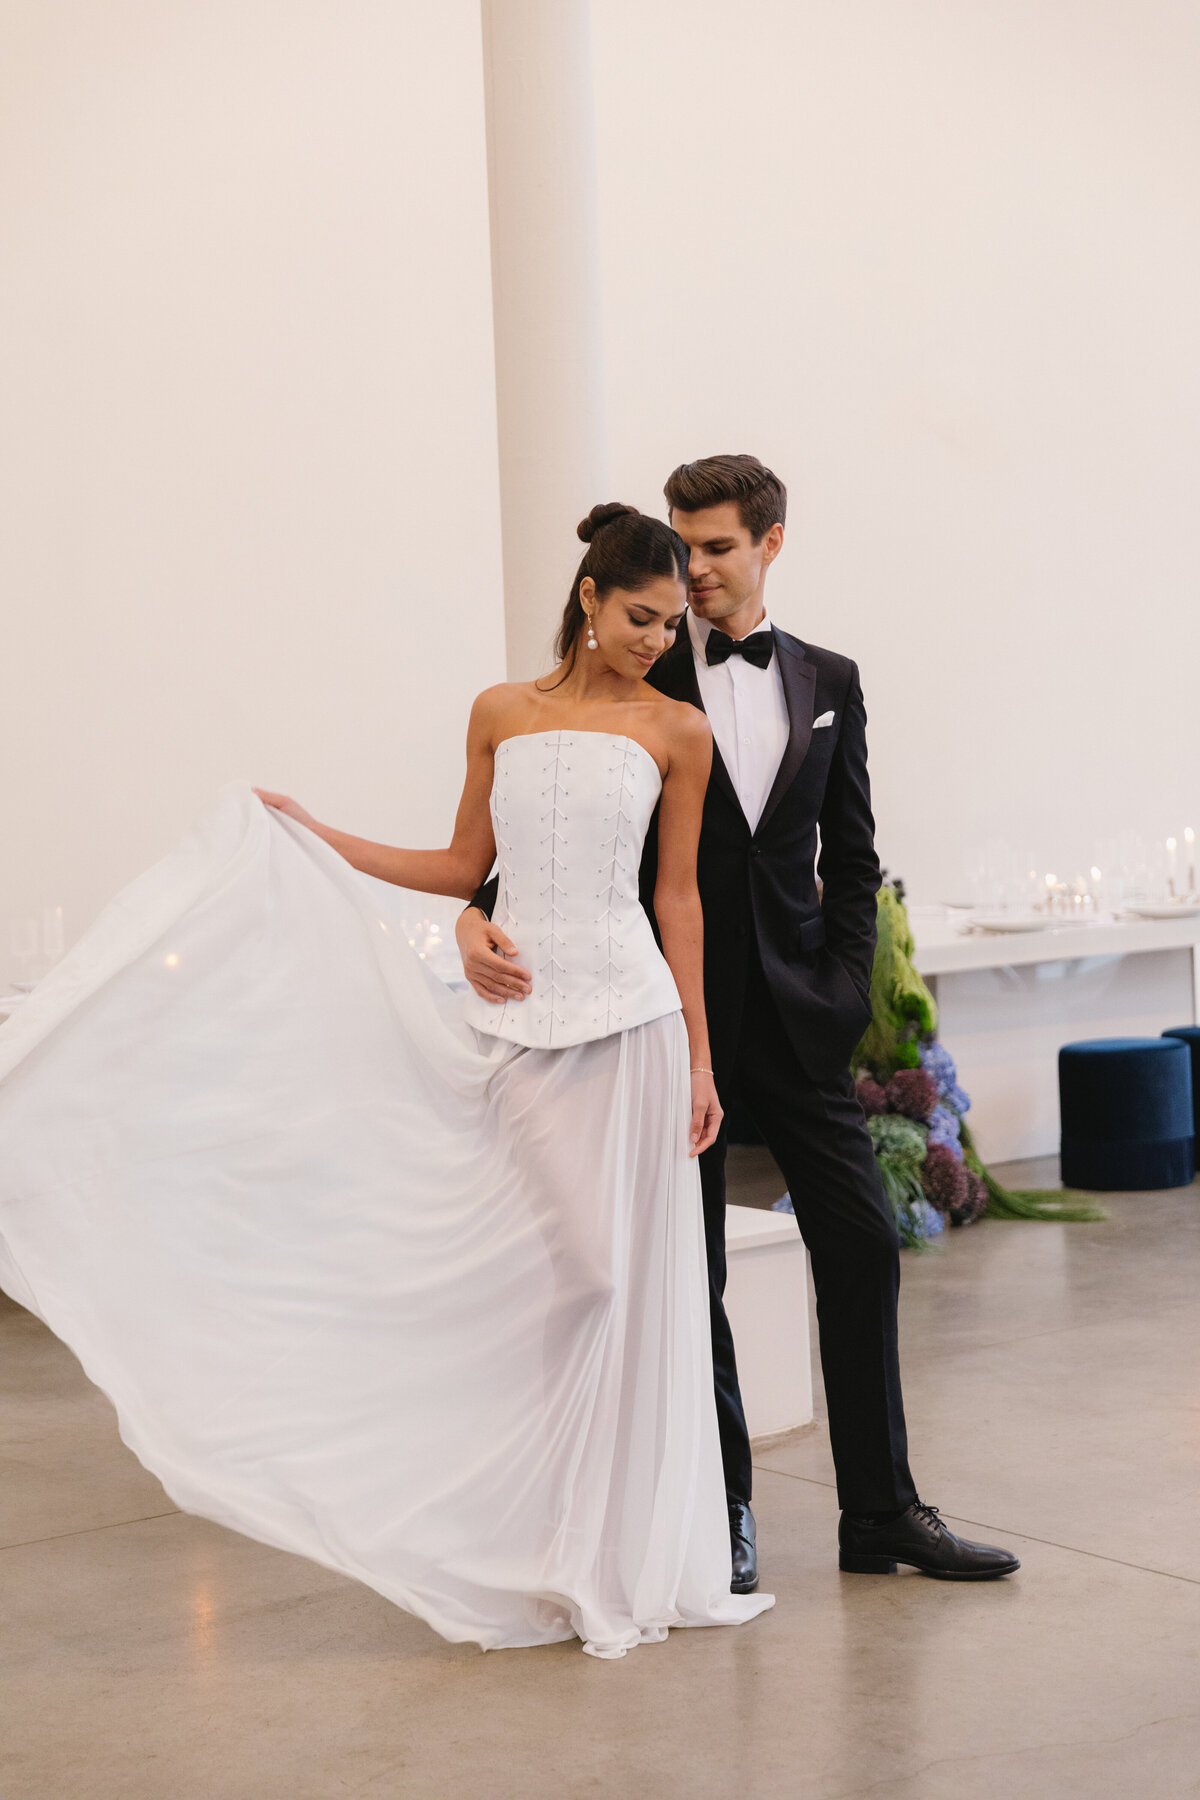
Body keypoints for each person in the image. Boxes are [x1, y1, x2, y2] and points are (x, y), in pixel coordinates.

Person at [0, 503, 774, 1659]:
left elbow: (678, 899)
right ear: (588, 600)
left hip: (635, 1027)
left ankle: (608, 1554)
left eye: (671, 624)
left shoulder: (677, 733)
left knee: (620, 1285)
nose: (657, 639)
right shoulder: (499, 714)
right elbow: (464, 865)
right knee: (557, 1282)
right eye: (639, 617)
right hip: (518, 1036)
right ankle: (529, 1537)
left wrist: (704, 1057)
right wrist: (319, 837)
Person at [458, 455, 1020, 1588]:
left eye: (715, 547)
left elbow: (852, 857)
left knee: (861, 1247)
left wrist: (845, 993)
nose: (694, 570)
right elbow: (550, 819)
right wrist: (476, 914)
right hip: (666, 1021)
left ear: (770, 543)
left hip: (802, 1021)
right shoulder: (643, 670)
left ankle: (883, 1511)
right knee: (690, 1268)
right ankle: (722, 1518)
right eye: (680, 543)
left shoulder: (830, 678)